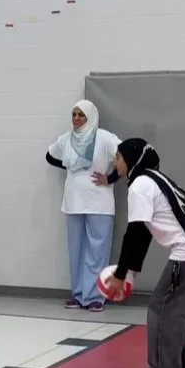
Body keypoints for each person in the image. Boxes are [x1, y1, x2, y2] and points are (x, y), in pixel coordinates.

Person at [105, 138, 185, 368]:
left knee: (162, 308)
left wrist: (120, 274)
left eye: (117, 157)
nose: (114, 162)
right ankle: (180, 364)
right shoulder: (156, 179)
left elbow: (135, 233)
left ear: (131, 159)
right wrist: (131, 271)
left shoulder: (139, 185)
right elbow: (145, 232)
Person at [47, 100, 121, 312]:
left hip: (100, 203)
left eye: (81, 115)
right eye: (74, 114)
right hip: (73, 203)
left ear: (91, 116)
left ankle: (96, 296)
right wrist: (70, 165)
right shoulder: (66, 139)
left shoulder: (104, 138)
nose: (77, 118)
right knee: (76, 251)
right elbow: (49, 155)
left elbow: (125, 156)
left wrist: (110, 178)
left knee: (97, 252)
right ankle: (79, 294)